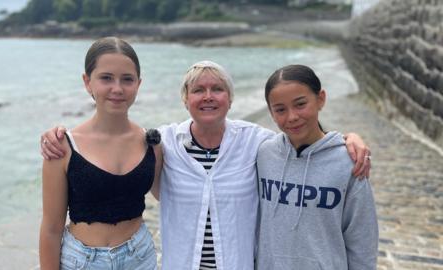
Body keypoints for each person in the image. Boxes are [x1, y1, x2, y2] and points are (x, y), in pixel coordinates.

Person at [40, 61, 371, 270]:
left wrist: (346, 141)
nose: (208, 96)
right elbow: (117, 140)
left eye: (218, 89)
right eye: (198, 89)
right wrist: (60, 135)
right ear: (185, 99)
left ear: (231, 98)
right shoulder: (162, 142)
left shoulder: (258, 142)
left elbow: (301, 139)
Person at [38, 37, 162, 270]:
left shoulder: (152, 143)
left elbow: (173, 194)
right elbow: (51, 229)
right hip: (82, 261)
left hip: (140, 257)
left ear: (138, 84)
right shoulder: (62, 147)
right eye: (106, 78)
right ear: (87, 82)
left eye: (127, 79)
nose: (117, 88)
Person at [256, 64, 378, 270]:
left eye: (300, 104)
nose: (292, 117)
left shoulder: (350, 161)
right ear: (271, 111)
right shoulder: (263, 154)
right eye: (280, 109)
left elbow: (362, 238)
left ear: (320, 99)